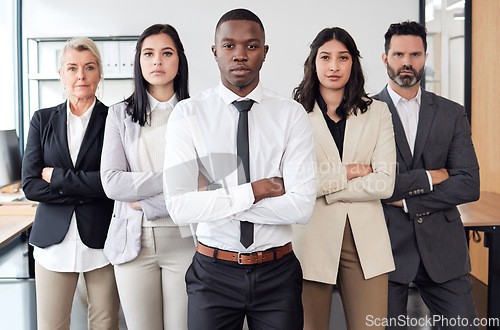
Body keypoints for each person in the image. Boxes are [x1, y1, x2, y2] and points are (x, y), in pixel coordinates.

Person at [163, 8, 317, 330]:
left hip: (277, 272)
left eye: (251, 45)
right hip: (212, 272)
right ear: (215, 51)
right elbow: (179, 207)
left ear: (264, 52)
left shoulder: (291, 115)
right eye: (229, 45)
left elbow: (301, 206)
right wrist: (257, 190)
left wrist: (216, 200)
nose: (240, 55)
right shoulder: (187, 114)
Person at [374, 21, 480, 329]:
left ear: (425, 56)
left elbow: (468, 184)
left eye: (415, 54)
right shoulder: (364, 111)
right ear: (385, 58)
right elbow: (372, 185)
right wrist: (433, 177)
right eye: (399, 54)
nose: (407, 62)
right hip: (385, 248)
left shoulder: (452, 112)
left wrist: (408, 203)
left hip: (444, 249)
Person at [292, 27, 396, 330]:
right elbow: (295, 184)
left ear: (354, 63)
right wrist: (348, 172)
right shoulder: (294, 114)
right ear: (314, 62)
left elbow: (385, 182)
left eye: (343, 57)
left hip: (366, 239)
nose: (334, 66)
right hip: (310, 239)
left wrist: (326, 189)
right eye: (325, 57)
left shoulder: (378, 112)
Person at [100, 24, 193, 330]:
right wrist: (175, 178)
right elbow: (113, 182)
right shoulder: (119, 114)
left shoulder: (198, 114)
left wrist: (148, 203)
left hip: (187, 241)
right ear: (139, 62)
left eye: (167, 53)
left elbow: (210, 185)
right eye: (148, 54)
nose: (157, 62)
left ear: (179, 60)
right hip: (133, 242)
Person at [21, 37, 119, 330]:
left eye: (89, 67)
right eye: (72, 68)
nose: (81, 75)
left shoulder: (115, 118)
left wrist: (60, 179)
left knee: (105, 324)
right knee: (52, 325)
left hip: (102, 239)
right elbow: (30, 185)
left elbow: (112, 184)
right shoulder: (42, 120)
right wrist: (88, 189)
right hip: (52, 242)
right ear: (61, 74)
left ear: (99, 72)